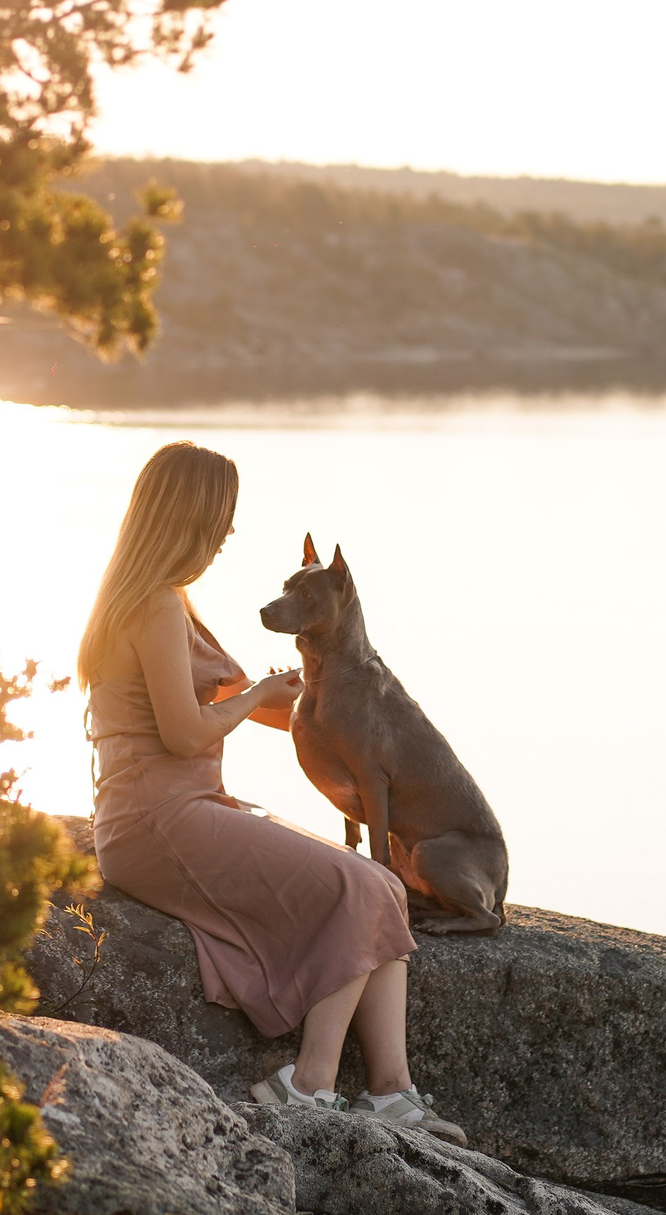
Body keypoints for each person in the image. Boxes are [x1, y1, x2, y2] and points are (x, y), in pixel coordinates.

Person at [79, 440, 462, 1138]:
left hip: (179, 810)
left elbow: (225, 697)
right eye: (221, 518)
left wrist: (340, 708)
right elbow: (186, 733)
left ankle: (393, 1092)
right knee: (364, 886)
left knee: (381, 888)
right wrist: (255, 690)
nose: (228, 534)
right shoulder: (154, 607)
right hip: (158, 819)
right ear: (189, 516)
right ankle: (308, 1086)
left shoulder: (165, 602)